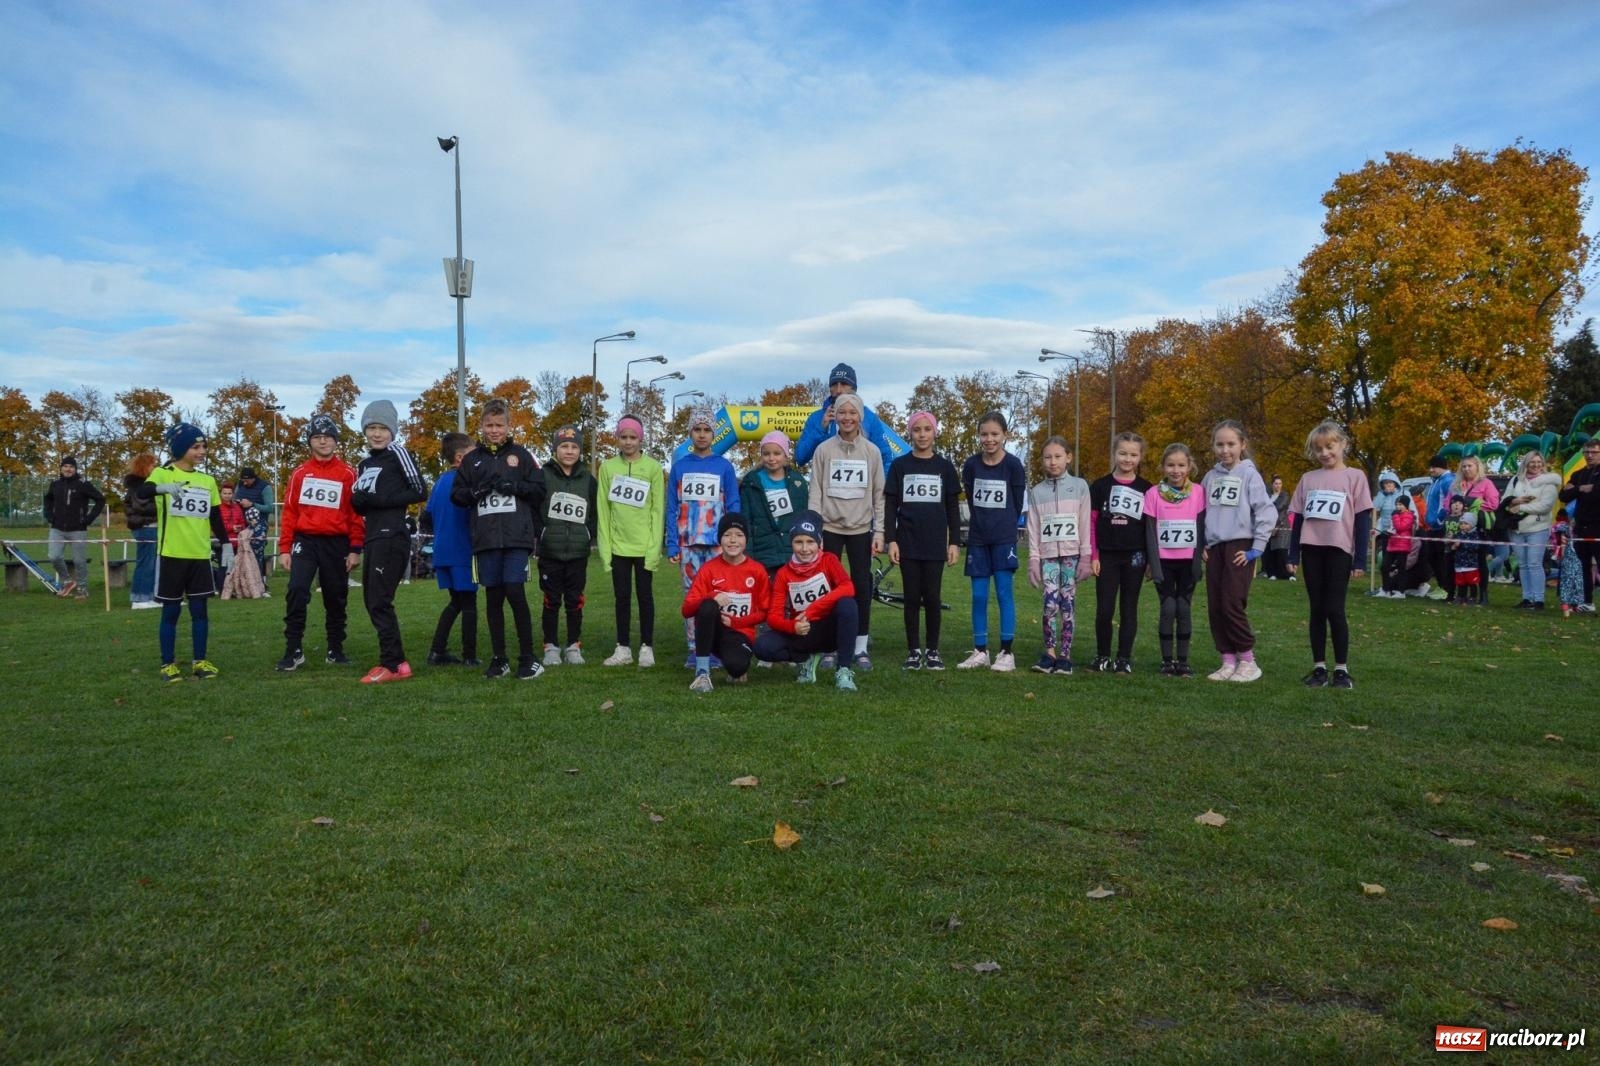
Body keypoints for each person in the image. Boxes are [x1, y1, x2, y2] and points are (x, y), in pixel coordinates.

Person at [451, 397, 543, 680]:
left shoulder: (521, 455)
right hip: (486, 540)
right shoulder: (472, 460)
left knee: (515, 592)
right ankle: (499, 658)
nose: (494, 430)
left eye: (499, 425)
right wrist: (475, 493)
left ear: (508, 425)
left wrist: (513, 487)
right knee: (493, 598)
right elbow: (457, 494)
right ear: (481, 426)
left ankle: (529, 658)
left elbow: (539, 490)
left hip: (516, 538)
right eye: (489, 425)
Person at [132, 423, 226, 682]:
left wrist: (227, 544)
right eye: (195, 447)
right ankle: (167, 664)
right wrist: (161, 488)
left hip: (200, 556)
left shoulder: (207, 480)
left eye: (204, 446)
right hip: (172, 555)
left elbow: (216, 516)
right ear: (180, 448)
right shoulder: (164, 473)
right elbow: (142, 491)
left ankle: (200, 660)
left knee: (200, 611)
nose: (202, 451)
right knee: (171, 611)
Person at [1285, 421, 1373, 689]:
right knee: (1317, 609)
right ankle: (1319, 667)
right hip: (1312, 548)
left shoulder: (1355, 477)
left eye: (1329, 447)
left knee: (1335, 608)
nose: (1324, 453)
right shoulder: (1308, 479)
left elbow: (1362, 520)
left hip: (1339, 550)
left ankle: (1342, 670)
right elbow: (1298, 519)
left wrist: (1359, 559)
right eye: (1318, 449)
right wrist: (1293, 555)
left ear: (1343, 445)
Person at [275, 413, 363, 670]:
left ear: (335, 441)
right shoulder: (300, 473)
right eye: (317, 437)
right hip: (306, 541)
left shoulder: (348, 473)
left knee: (336, 596)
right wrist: (284, 548)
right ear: (310, 442)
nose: (323, 442)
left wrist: (355, 548)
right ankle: (293, 650)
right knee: (297, 590)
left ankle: (336, 649)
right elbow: (290, 511)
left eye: (327, 437)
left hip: (336, 543)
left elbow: (355, 513)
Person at [351, 399, 428, 683]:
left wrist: (381, 501)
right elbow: (363, 504)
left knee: (380, 601)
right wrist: (358, 502)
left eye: (382, 427)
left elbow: (420, 490)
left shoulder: (398, 453)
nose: (377, 433)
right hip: (373, 537)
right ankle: (398, 662)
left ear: (392, 430)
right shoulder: (364, 464)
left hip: (392, 535)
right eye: (371, 427)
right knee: (372, 601)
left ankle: (392, 664)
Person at [807, 392, 885, 671]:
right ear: (835, 416)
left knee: (861, 587)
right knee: (826, 587)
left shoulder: (872, 452)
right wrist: (814, 530)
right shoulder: (824, 450)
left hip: (861, 528)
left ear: (860, 417)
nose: (847, 418)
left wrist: (880, 532)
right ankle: (828, 645)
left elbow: (879, 495)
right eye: (842, 412)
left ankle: (860, 647)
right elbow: (815, 490)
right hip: (829, 527)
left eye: (853, 413)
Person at [884, 411, 961, 671]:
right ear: (910, 433)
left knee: (932, 596)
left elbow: (952, 506)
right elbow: (890, 504)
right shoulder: (900, 466)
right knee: (911, 597)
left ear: (935, 432)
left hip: (935, 543)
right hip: (907, 541)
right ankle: (914, 650)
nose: (922, 434)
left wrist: (954, 542)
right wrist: (891, 540)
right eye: (917, 430)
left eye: (927, 429)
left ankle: (933, 650)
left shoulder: (945, 467)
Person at [1200, 419, 1276, 682]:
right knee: (1216, 605)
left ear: (1242, 445)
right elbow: (1202, 513)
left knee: (1232, 602)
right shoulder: (1210, 477)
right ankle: (1227, 659)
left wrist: (1257, 548)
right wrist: (1203, 544)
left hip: (1240, 547)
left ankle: (1247, 659)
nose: (1225, 450)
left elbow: (1266, 512)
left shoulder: (1249, 475)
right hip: (1215, 548)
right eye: (1219, 444)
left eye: (1231, 444)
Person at [753, 510, 861, 690]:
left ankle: (843, 670)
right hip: (802, 631)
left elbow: (847, 587)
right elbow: (773, 616)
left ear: (819, 543)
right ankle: (806, 661)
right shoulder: (784, 573)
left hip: (829, 629)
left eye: (810, 542)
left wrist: (812, 610)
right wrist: (792, 626)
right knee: (762, 647)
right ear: (791, 543)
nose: (804, 549)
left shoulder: (829, 560)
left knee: (848, 604)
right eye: (798, 542)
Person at [667, 407, 740, 666]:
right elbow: (672, 507)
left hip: (718, 545)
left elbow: (733, 505)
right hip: (688, 543)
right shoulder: (679, 467)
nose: (701, 435)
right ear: (690, 433)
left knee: (721, 593)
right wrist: (672, 543)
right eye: (696, 430)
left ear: (714, 433)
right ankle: (694, 647)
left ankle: (718, 646)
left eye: (706, 430)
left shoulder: (724, 467)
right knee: (692, 596)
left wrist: (734, 539)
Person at [957, 411, 1028, 671]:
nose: (989, 439)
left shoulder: (1013, 466)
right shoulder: (971, 465)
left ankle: (1006, 652)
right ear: (979, 436)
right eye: (984, 434)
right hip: (977, 538)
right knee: (978, 596)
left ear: (1005, 436)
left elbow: (1017, 503)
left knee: (1003, 593)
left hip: (1003, 540)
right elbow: (972, 500)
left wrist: (1002, 528)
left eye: (995, 434)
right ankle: (980, 650)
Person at [597, 415, 665, 667]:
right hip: (618, 546)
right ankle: (623, 647)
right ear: (617, 438)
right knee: (621, 597)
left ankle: (647, 646)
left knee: (645, 596)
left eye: (633, 437)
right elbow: (603, 510)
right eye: (623, 437)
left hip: (644, 545)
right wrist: (606, 549)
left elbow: (657, 510)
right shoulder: (607, 467)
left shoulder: (653, 468)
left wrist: (654, 548)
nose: (628, 442)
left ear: (641, 438)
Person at [1026, 435, 1092, 675]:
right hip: (1049, 557)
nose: (1052, 462)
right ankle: (1049, 652)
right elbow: (1033, 527)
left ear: (1068, 458)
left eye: (1057, 456)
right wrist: (1034, 559)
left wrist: (1086, 556)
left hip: (1072, 556)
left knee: (1068, 604)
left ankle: (1065, 654)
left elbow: (1085, 523)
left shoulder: (1080, 486)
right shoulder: (1036, 491)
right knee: (1049, 604)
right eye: (1047, 457)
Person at [1088, 432, 1154, 673]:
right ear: (1114, 454)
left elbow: (1150, 527)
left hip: (1135, 556)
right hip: (1106, 555)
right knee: (1105, 609)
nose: (1127, 459)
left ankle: (1123, 658)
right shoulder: (1100, 486)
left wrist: (1150, 560)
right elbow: (1092, 523)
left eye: (1133, 454)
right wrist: (1094, 555)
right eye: (1123, 453)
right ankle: (1102, 655)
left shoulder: (1147, 489)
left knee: (1129, 607)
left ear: (1140, 457)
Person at [682, 512, 770, 691]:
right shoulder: (709, 569)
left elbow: (764, 612)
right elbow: (686, 610)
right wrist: (712, 596)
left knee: (737, 668)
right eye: (727, 535)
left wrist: (737, 621)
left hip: (740, 634)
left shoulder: (757, 570)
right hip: (714, 632)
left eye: (739, 535)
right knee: (707, 605)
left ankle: (735, 664)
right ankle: (702, 672)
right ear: (720, 539)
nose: (732, 540)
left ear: (746, 540)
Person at [1144, 443, 1206, 678]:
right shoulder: (1153, 494)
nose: (1176, 470)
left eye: (1181, 465)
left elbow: (1200, 528)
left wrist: (1198, 560)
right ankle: (1166, 661)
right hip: (1164, 562)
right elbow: (1150, 532)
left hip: (1188, 562)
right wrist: (1154, 566)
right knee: (1168, 608)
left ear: (1189, 466)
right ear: (1162, 467)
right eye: (1170, 465)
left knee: (1184, 609)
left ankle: (1183, 661)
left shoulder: (1199, 493)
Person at [538, 425, 598, 666]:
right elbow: (535, 506)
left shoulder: (588, 479)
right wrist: (539, 533)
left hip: (577, 552)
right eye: (564, 446)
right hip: (550, 549)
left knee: (575, 600)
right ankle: (550, 645)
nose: (569, 451)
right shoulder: (543, 475)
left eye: (574, 447)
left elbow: (594, 512)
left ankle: (573, 645)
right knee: (551, 600)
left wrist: (588, 534)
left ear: (580, 451)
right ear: (555, 449)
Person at [423, 431, 478, 666]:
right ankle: (469, 655)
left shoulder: (439, 482)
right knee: (468, 603)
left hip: (443, 550)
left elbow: (427, 516)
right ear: (459, 458)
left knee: (456, 602)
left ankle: (437, 651)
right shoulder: (463, 482)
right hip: (461, 550)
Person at [794, 362, 898, 474]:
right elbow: (800, 458)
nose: (839, 390)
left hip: (862, 489)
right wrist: (821, 429)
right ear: (830, 389)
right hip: (827, 489)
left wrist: (881, 490)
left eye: (844, 384)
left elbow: (886, 458)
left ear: (854, 388)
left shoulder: (869, 417)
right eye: (834, 384)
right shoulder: (816, 418)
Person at [738, 430, 809, 579]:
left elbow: (803, 520)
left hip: (791, 554)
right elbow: (746, 522)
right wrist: (747, 555)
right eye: (766, 454)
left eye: (777, 453)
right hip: (761, 554)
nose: (771, 458)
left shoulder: (798, 483)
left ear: (785, 455)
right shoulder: (750, 483)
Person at [1503, 452, 1561, 610]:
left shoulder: (1549, 483)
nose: (1535, 465)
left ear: (1543, 464)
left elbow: (1545, 506)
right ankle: (1527, 597)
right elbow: (1505, 500)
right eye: (1532, 462)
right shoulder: (1516, 480)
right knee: (1523, 564)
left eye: (1538, 462)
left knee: (1534, 563)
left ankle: (1539, 599)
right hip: (1516, 528)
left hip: (1538, 528)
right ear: (1526, 463)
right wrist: (1516, 500)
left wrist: (1520, 507)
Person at [44, 455, 105, 599]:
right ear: (61, 468)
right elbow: (48, 499)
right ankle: (68, 581)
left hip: (78, 529)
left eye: (71, 467)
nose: (68, 469)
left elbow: (100, 499)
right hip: (57, 528)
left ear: (75, 469)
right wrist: (49, 516)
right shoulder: (55, 483)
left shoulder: (83, 483)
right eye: (65, 466)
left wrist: (89, 519)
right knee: (54, 556)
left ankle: (82, 589)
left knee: (79, 561)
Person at [1557, 438, 1600, 613]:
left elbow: (1597, 494)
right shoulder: (1578, 474)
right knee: (1582, 566)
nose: (1589, 456)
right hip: (1581, 526)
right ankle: (1587, 602)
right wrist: (1582, 489)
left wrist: (1586, 490)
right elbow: (1563, 496)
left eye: (1594, 452)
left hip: (1598, 525)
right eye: (1586, 452)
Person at [1450, 455, 1500, 605]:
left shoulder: (1486, 483)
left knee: (1480, 562)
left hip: (1479, 528)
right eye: (1464, 466)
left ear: (1477, 467)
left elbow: (1493, 504)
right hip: (1460, 527)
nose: (1466, 469)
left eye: (1469, 466)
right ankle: (1460, 594)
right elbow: (1449, 502)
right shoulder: (1456, 485)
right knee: (1459, 561)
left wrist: (1470, 501)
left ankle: (1482, 594)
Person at [123, 452, 159, 609]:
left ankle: (149, 596)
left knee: (151, 562)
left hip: (148, 526)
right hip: (145, 526)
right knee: (146, 562)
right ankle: (140, 598)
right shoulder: (140, 485)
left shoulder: (142, 484)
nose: (155, 467)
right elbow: (141, 506)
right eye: (152, 464)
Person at [1422, 453, 1456, 600]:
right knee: (1432, 557)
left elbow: (1447, 504)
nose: (1431, 470)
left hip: (1440, 527)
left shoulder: (1447, 481)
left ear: (1440, 467)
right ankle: (1442, 585)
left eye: (1433, 467)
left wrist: (1439, 520)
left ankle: (1447, 588)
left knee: (1441, 559)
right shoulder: (1436, 481)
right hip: (1432, 526)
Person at [234, 467, 274, 574]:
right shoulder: (240, 485)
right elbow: (234, 499)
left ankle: (259, 582)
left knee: (256, 553)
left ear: (253, 479)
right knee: (240, 552)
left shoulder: (265, 487)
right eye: (243, 480)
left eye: (247, 480)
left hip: (258, 524)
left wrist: (252, 504)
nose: (245, 483)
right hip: (241, 522)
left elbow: (270, 508)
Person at [1370, 469, 1403, 591]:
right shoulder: (1381, 495)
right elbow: (1374, 508)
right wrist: (1382, 495)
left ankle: (1397, 587)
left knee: (1398, 562)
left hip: (1400, 534)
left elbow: (1411, 511)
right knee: (1385, 562)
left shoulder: (1403, 494)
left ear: (1396, 483)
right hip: (1385, 533)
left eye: (1390, 483)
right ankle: (1386, 587)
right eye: (1385, 483)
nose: (1388, 485)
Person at [1381, 495, 1418, 597]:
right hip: (1392, 544)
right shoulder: (1395, 515)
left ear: (1406, 505)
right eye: (1397, 504)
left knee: (1401, 568)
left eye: (1400, 504)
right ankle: (1386, 589)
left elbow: (1400, 527)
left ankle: (1400, 591)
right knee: (1385, 566)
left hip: (1402, 546)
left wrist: (1395, 517)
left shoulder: (1409, 516)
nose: (1398, 507)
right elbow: (1392, 528)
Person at [1449, 503, 1484, 606]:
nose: (1463, 525)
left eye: (1466, 523)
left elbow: (1475, 547)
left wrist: (1462, 544)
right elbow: (1454, 546)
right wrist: (1454, 546)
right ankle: (1461, 597)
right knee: (1460, 582)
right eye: (1461, 523)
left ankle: (1473, 597)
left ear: (1472, 524)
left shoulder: (1474, 535)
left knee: (1472, 582)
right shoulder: (1459, 534)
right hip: (1459, 563)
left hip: (1470, 564)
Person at [1261, 475, 1292, 580]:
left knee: (1281, 551)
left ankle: (1287, 574)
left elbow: (1279, 506)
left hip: (1281, 525)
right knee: (1268, 550)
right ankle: (1270, 572)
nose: (1278, 485)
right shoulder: (1268, 495)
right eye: (1276, 483)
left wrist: (1267, 506)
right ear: (1272, 485)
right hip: (1268, 524)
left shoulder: (1284, 495)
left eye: (1280, 483)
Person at [1554, 514, 1585, 616]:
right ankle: (1567, 608)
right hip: (1569, 562)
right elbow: (1562, 547)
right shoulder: (1565, 530)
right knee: (1569, 584)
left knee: (1576, 584)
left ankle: (1573, 606)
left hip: (1575, 562)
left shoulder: (1578, 531)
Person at [216, 483, 247, 568]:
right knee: (224, 569)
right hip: (223, 544)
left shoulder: (237, 507)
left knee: (236, 569)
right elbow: (216, 526)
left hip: (237, 544)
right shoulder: (217, 508)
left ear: (233, 494)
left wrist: (240, 528)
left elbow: (243, 522)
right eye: (224, 493)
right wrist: (231, 528)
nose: (227, 496)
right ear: (220, 494)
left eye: (229, 493)